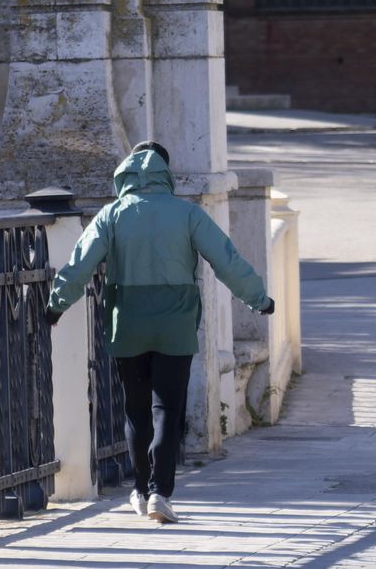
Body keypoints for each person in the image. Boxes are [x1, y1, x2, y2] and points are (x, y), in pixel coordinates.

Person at [45, 141, 274, 525]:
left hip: (128, 324)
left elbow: (79, 264)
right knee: (167, 408)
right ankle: (160, 493)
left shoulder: (111, 215)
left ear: (126, 173)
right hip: (175, 325)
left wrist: (56, 305)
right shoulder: (187, 214)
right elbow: (226, 259)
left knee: (136, 411)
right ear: (166, 174)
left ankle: (139, 488)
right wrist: (259, 300)